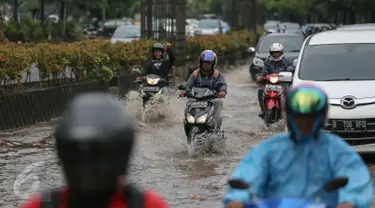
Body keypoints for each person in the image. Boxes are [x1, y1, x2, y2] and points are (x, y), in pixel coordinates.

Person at [223, 84, 372, 208]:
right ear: (289, 116)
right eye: (299, 117)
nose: (305, 123)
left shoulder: (339, 151)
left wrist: (349, 202)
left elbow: (356, 181)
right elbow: (248, 176)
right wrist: (238, 200)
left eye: (310, 118)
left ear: (321, 117)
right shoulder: (268, 150)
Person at [20, 92, 169, 208]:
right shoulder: (41, 205)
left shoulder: (147, 204)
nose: (89, 168)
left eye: (99, 155)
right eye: (79, 156)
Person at [179, 50, 227, 129]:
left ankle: (213, 125)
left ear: (213, 64)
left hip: (211, 99)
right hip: (196, 99)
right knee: (188, 103)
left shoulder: (217, 74)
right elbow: (188, 85)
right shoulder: (195, 74)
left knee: (218, 102)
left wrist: (222, 91)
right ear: (201, 63)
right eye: (204, 63)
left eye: (208, 63)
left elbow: (222, 84)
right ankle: (187, 123)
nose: (206, 65)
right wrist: (184, 92)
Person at [256, 43, 294, 117]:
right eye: (273, 53)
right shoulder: (267, 61)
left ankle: (288, 110)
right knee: (260, 91)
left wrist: (289, 75)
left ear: (281, 53)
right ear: (271, 53)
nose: (275, 54)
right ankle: (263, 109)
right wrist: (261, 77)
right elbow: (263, 72)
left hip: (282, 83)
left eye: (277, 52)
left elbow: (290, 70)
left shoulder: (286, 61)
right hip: (270, 83)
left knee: (288, 92)